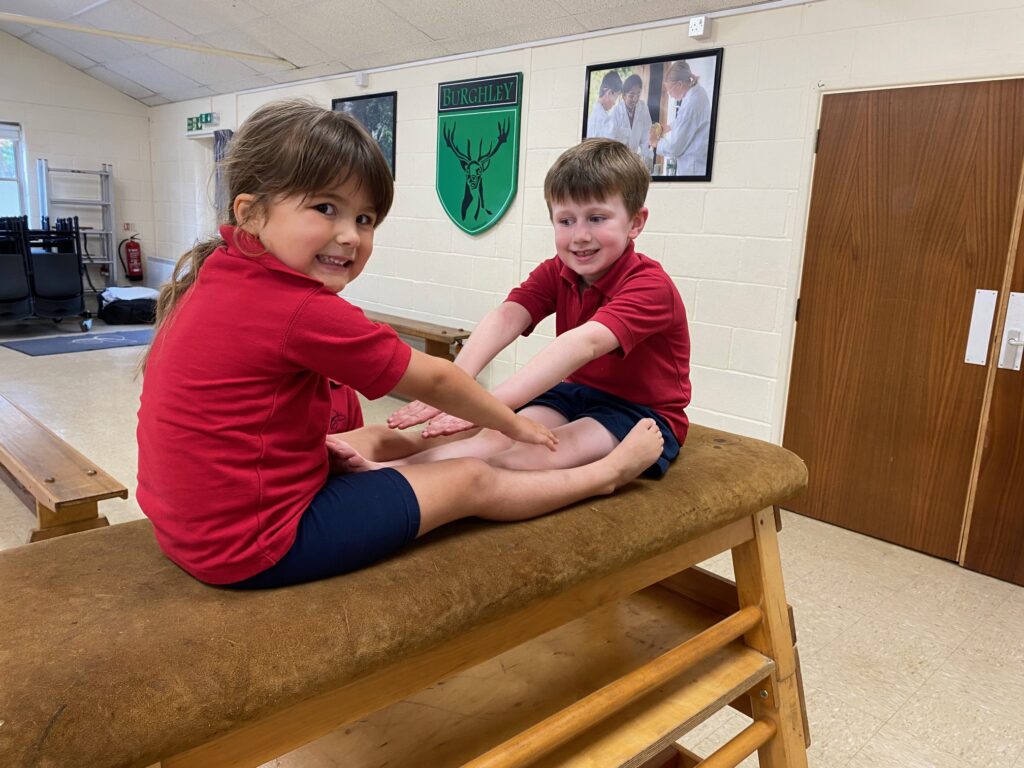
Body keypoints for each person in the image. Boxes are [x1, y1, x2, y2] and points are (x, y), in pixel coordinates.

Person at [136, 100, 664, 590]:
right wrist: (509, 418)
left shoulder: (214, 277)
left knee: (379, 438)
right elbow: (439, 375)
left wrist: (489, 413)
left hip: (189, 528)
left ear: (634, 223)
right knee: (472, 476)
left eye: (364, 219)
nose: (349, 235)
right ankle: (606, 476)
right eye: (326, 208)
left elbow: (575, 344)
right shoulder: (298, 308)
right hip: (257, 544)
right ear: (250, 213)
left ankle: (403, 472)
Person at [381, 138, 690, 479]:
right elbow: (506, 316)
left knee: (532, 459)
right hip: (574, 394)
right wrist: (457, 384)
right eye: (566, 220)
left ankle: (422, 482)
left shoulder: (650, 286)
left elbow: (581, 344)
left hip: (640, 412)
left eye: (597, 218)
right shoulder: (558, 270)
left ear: (635, 222)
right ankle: (386, 471)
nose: (580, 236)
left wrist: (489, 405)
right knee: (492, 440)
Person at [648, 60, 711, 176]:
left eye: (669, 89)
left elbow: (674, 148)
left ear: (680, 84)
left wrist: (655, 142)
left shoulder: (692, 103)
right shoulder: (697, 93)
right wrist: (669, 127)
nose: (669, 94)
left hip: (693, 168)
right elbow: (687, 121)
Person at [612, 74, 654, 165]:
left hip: (635, 161)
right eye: (631, 95)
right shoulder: (616, 112)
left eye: (638, 94)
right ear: (623, 96)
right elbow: (612, 140)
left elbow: (646, 136)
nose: (635, 99)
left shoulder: (643, 108)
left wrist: (647, 161)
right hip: (618, 161)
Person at [585, 71, 624, 140]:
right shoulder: (603, 120)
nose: (614, 103)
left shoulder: (592, 116)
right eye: (616, 97)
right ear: (609, 93)